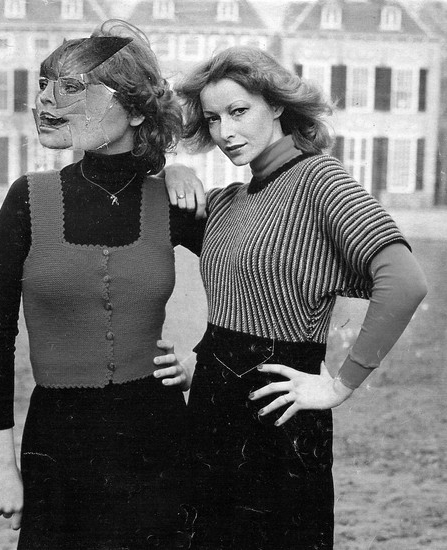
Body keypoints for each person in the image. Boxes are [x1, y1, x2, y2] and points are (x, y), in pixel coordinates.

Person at [164, 46, 428, 549]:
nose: (225, 132)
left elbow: (405, 280)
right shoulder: (230, 202)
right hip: (211, 413)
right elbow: (138, 209)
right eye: (213, 118)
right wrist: (173, 172)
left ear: (278, 105)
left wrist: (340, 386)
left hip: (279, 422)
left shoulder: (319, 180)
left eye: (238, 111)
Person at [0, 21, 204, 550]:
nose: (47, 99)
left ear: (136, 109)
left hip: (158, 441)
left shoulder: (173, 201)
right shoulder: (27, 198)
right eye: (45, 84)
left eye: (73, 86)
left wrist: (204, 358)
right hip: (58, 443)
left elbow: (254, 277)